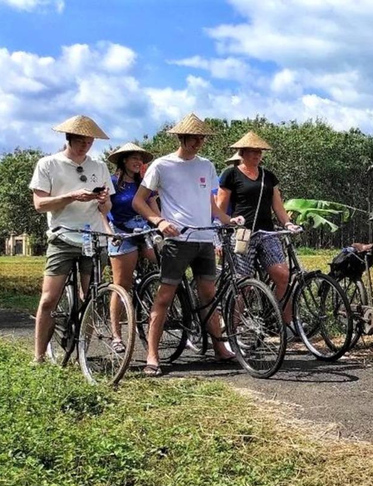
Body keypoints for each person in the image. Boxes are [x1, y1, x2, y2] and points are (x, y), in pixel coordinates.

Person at [132, 113, 243, 376]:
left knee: (208, 295)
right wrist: (158, 221)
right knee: (165, 297)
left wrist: (228, 219)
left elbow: (210, 202)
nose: (198, 142)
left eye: (202, 138)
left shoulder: (206, 166)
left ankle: (219, 348)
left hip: (205, 239)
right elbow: (139, 201)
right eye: (194, 137)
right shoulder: (162, 165)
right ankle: (152, 355)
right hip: (178, 240)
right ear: (182, 137)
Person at [29, 115, 114, 363]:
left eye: (89, 141)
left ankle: (83, 353)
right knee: (49, 299)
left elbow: (107, 208)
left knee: (90, 298)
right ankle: (39, 356)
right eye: (80, 140)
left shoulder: (99, 167)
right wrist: (72, 196)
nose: (85, 145)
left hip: (93, 237)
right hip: (63, 236)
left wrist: (103, 201)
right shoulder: (48, 164)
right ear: (70, 138)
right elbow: (39, 204)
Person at [216, 132, 301, 328]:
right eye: (252, 152)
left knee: (283, 275)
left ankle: (281, 321)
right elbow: (220, 206)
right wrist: (222, 229)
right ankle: (232, 327)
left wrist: (288, 224)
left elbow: (278, 206)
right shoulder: (231, 174)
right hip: (242, 233)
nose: (256, 155)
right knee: (243, 283)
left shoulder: (268, 177)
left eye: (259, 152)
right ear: (242, 153)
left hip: (266, 232)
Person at [106, 142, 159, 352]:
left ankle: (150, 302)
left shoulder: (145, 184)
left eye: (141, 159)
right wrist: (111, 232)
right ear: (124, 161)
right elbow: (105, 209)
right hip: (121, 233)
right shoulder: (111, 183)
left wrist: (162, 225)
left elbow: (154, 207)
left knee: (162, 268)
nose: (138, 162)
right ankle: (116, 335)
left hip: (144, 230)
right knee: (121, 285)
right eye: (134, 158)